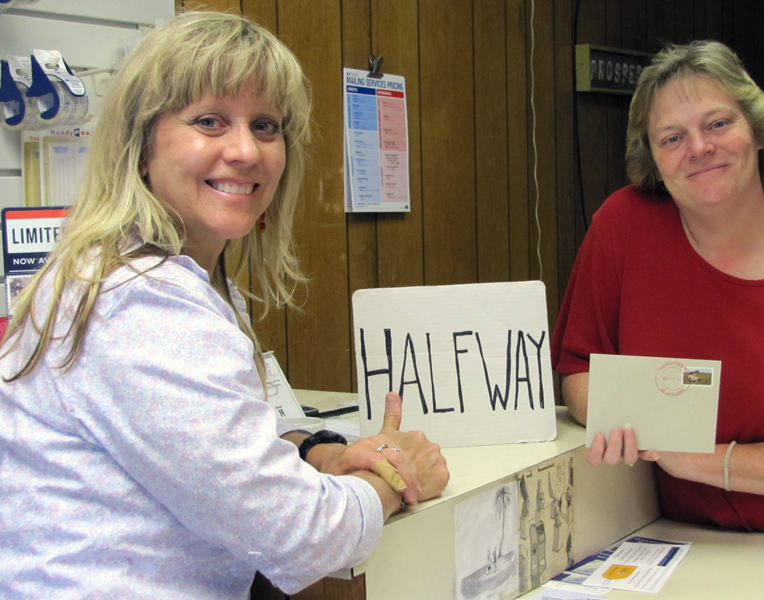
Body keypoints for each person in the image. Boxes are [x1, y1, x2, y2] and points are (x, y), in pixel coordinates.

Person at [0, 11, 449, 598]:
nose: (245, 151)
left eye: (265, 126)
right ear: (141, 145)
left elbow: (220, 438)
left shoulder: (173, 275)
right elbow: (302, 536)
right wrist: (396, 475)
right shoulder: (139, 303)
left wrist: (315, 451)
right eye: (209, 121)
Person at [551, 40, 764, 542]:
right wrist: (637, 422)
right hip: (679, 540)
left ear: (758, 130)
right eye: (671, 137)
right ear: (651, 159)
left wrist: (696, 460)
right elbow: (580, 368)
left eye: (717, 124)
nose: (698, 148)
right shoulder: (624, 228)